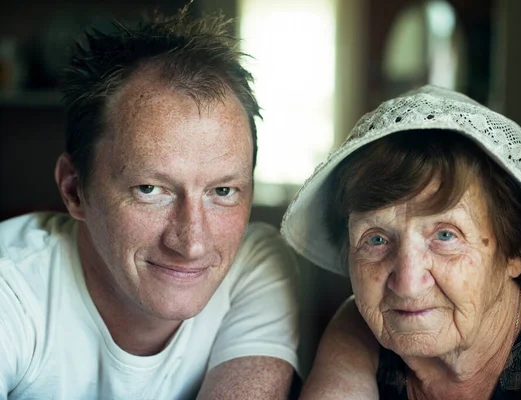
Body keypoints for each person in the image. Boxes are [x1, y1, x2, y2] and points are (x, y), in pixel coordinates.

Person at [0, 10, 299, 400]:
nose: (191, 242)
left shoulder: (253, 265)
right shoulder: (12, 285)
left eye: (223, 192)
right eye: (149, 189)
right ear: (74, 189)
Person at [281, 85, 521, 399]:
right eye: (376, 239)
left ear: (514, 250)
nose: (407, 284)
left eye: (445, 235)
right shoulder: (360, 326)